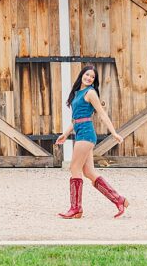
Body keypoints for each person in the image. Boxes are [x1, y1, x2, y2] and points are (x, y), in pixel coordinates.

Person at [55, 65, 129, 218]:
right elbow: (75, 119)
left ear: (94, 81)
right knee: (88, 172)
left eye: (92, 77)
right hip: (80, 132)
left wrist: (114, 133)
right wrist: (65, 134)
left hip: (86, 135)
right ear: (82, 75)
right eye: (87, 75)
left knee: (74, 168)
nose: (89, 78)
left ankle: (76, 208)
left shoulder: (90, 93)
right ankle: (119, 200)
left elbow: (102, 114)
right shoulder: (77, 93)